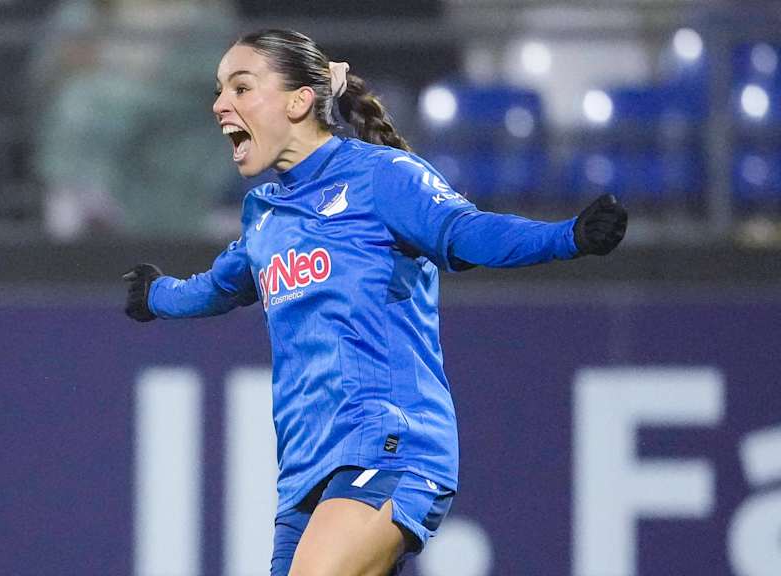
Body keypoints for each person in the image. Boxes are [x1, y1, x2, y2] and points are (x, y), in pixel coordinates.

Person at [123, 29, 627, 576]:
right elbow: (218, 286)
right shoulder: (265, 214)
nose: (220, 104)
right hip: (305, 473)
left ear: (298, 101)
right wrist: (156, 295)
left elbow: (467, 232)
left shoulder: (381, 178)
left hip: (390, 445)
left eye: (241, 88)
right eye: (220, 90)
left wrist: (568, 237)